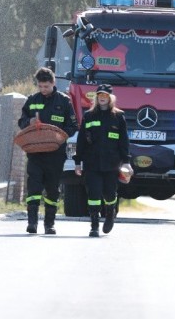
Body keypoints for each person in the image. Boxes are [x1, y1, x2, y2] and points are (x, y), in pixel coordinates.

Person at [17, 67, 77, 235]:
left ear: (53, 83)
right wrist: (29, 121)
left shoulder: (64, 102)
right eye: (40, 86)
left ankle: (49, 224)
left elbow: (73, 127)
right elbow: (21, 121)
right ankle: (32, 223)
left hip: (55, 154)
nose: (43, 90)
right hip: (35, 153)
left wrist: (59, 136)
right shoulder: (32, 100)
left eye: (46, 86)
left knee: (52, 190)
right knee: (34, 188)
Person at [74, 84, 132, 237]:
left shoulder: (118, 117)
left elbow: (124, 142)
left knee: (109, 194)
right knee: (93, 194)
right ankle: (94, 226)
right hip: (92, 163)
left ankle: (110, 212)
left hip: (111, 164)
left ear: (110, 98)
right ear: (96, 97)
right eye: (100, 95)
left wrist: (126, 161)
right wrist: (77, 162)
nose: (102, 98)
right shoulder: (89, 116)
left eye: (105, 95)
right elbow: (81, 141)